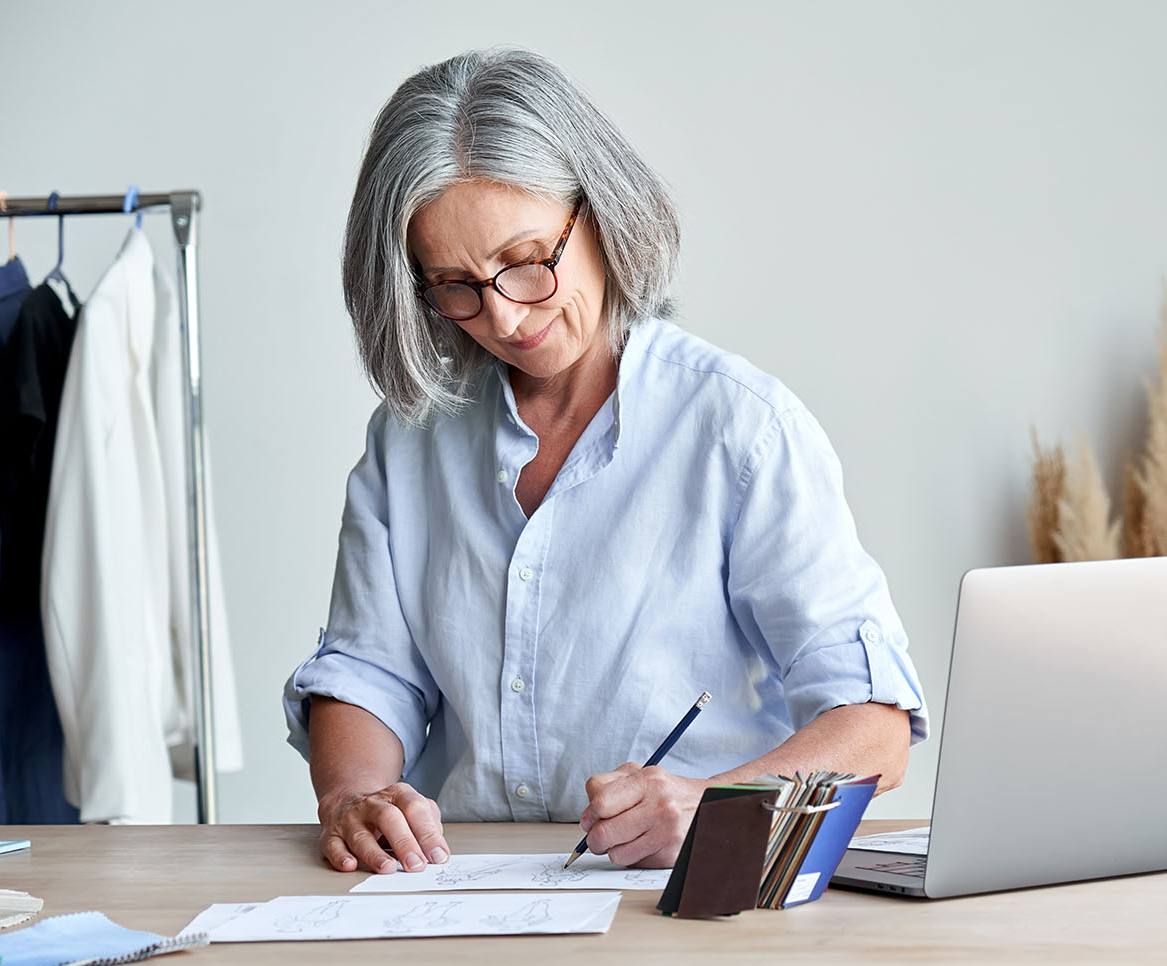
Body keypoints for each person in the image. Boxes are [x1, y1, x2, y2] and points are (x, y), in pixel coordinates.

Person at [283, 49, 926, 875]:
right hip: (462, 892)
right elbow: (370, 673)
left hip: (682, 900)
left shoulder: (741, 429)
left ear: (600, 211)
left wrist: (714, 807)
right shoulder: (410, 437)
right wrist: (352, 796)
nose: (505, 317)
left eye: (525, 261)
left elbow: (873, 722)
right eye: (456, 285)